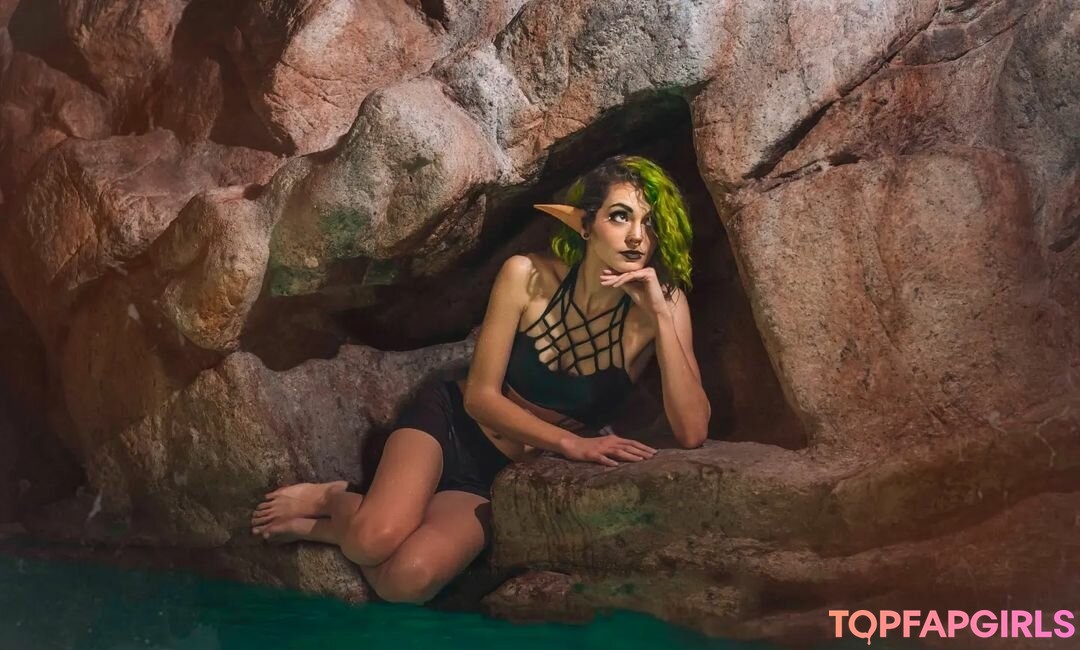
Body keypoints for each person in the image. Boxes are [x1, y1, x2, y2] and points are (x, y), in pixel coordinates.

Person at [249, 154, 711, 604]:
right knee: (372, 540)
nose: (637, 236)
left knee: (404, 582)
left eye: (650, 223)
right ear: (586, 225)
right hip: (451, 425)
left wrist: (660, 316)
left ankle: (329, 529)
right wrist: (573, 445)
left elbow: (692, 431)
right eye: (620, 216)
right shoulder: (526, 275)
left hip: (499, 474)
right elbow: (480, 398)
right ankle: (336, 499)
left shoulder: (664, 306)